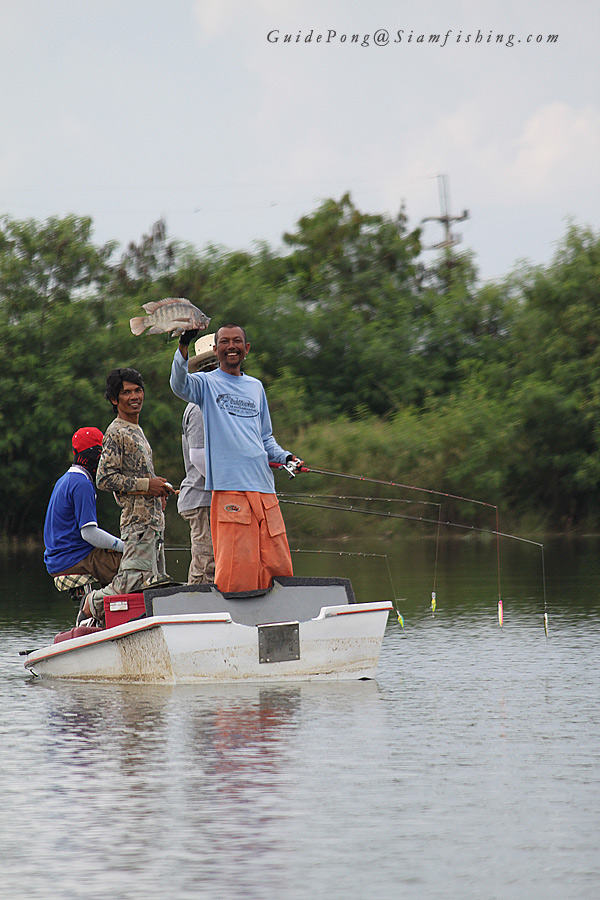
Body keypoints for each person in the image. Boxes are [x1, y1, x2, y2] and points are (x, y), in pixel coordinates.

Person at [170, 323, 303, 594]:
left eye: (238, 341)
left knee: (276, 562)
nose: (232, 346)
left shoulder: (256, 387)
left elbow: (266, 439)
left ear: (247, 349)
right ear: (217, 350)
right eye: (225, 342)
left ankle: (275, 612)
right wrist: (183, 345)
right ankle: (230, 616)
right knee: (236, 568)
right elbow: (179, 384)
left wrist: (286, 457)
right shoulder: (205, 385)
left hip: (265, 490)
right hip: (230, 492)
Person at [81, 368, 174, 623]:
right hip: (137, 523)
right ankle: (92, 604)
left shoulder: (137, 430)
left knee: (153, 586)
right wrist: (147, 485)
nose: (134, 397)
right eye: (126, 392)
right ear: (114, 399)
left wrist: (158, 489)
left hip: (153, 523)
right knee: (131, 581)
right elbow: (104, 478)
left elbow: (138, 477)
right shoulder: (115, 432)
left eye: (138, 390)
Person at [43, 427, 124, 584]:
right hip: (73, 559)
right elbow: (89, 533)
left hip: (58, 560)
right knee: (135, 565)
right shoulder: (82, 484)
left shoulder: (65, 480)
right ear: (96, 454)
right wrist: (124, 546)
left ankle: (103, 605)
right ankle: (96, 603)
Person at [177, 334, 216, 584]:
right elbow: (199, 458)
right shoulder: (200, 407)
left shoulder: (214, 402)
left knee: (216, 563)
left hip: (213, 497)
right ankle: (193, 616)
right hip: (202, 499)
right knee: (207, 564)